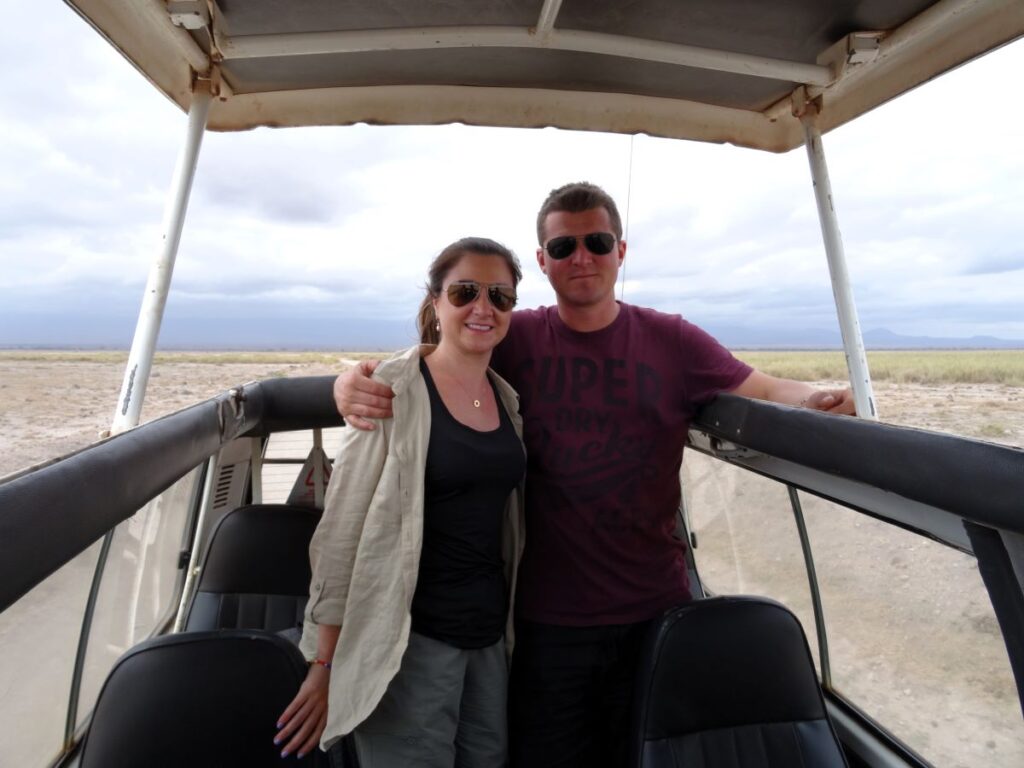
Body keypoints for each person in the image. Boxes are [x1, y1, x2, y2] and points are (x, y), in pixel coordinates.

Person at [333, 182, 856, 767]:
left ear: (621, 251)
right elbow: (433, 362)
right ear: (543, 263)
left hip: (653, 610)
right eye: (563, 248)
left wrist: (823, 399)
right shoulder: (515, 334)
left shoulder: (671, 339)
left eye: (597, 242)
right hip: (543, 618)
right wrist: (350, 382)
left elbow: (760, 389)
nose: (581, 257)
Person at [274, 237, 527, 767]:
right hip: (408, 644)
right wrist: (325, 662)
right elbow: (343, 533)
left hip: (485, 640)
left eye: (500, 296)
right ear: (436, 302)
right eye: (465, 292)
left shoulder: (506, 399)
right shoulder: (392, 389)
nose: (483, 307)